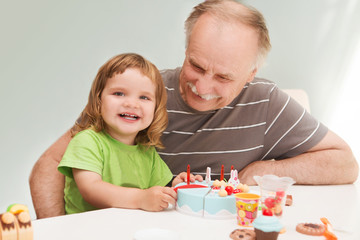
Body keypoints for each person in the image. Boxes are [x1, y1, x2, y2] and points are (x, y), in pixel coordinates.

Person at [29, 0, 358, 218]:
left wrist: (262, 171)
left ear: (250, 75)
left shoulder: (265, 102)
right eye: (196, 66)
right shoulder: (143, 95)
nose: (202, 87)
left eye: (224, 77)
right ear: (186, 49)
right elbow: (51, 163)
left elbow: (345, 164)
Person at [56, 53, 191, 214]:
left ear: (156, 109)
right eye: (119, 93)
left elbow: (156, 192)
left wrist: (176, 188)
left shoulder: (147, 152)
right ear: (99, 100)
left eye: (144, 97)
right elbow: (91, 189)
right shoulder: (86, 141)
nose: (132, 104)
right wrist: (141, 198)